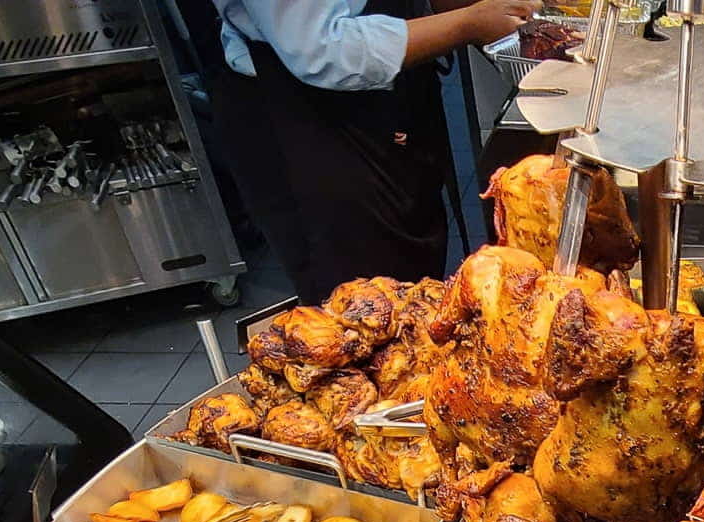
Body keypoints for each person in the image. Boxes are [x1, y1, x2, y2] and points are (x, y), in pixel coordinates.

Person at [209, 0, 539, 302]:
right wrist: (467, 24)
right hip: (312, 113)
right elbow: (323, 49)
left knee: (416, 283)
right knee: (365, 304)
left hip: (387, 100)